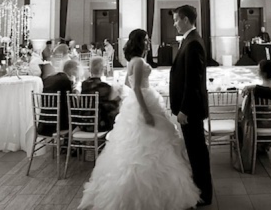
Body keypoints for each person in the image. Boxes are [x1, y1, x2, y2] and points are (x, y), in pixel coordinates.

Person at [79, 29, 199, 209]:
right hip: (143, 102)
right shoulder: (139, 62)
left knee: (138, 146)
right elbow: (134, 87)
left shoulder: (133, 61)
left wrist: (142, 90)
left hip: (138, 100)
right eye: (147, 40)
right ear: (140, 42)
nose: (149, 43)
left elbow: (128, 83)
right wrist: (145, 111)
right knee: (149, 146)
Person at [170, 5, 212, 207]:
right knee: (195, 151)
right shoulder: (190, 39)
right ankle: (200, 189)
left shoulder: (193, 42)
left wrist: (184, 109)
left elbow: (193, 81)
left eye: (176, 19)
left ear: (185, 19)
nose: (174, 23)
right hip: (190, 108)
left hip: (191, 109)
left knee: (197, 152)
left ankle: (204, 193)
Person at [80, 56, 120, 132]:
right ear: (102, 69)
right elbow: (109, 107)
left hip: (84, 124)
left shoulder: (84, 84)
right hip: (100, 125)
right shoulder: (105, 87)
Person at [37, 61, 73, 137]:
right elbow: (70, 103)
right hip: (57, 126)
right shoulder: (65, 80)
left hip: (43, 124)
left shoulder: (48, 79)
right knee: (78, 118)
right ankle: (69, 145)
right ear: (72, 71)